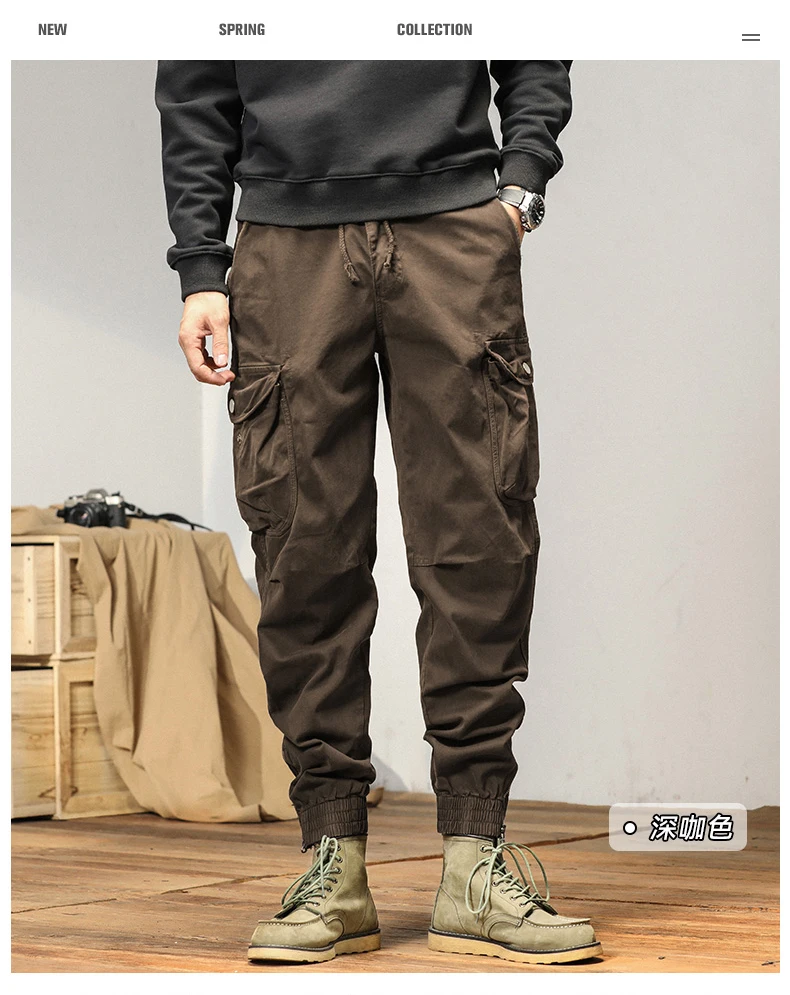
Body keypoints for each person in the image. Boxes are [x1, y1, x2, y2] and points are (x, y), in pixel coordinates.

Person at [155, 59, 601, 966]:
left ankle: (475, 858)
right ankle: (334, 861)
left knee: (480, 538)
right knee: (303, 550)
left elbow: (533, 40)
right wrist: (201, 263)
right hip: (285, 245)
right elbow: (194, 81)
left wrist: (520, 185)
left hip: (453, 227)